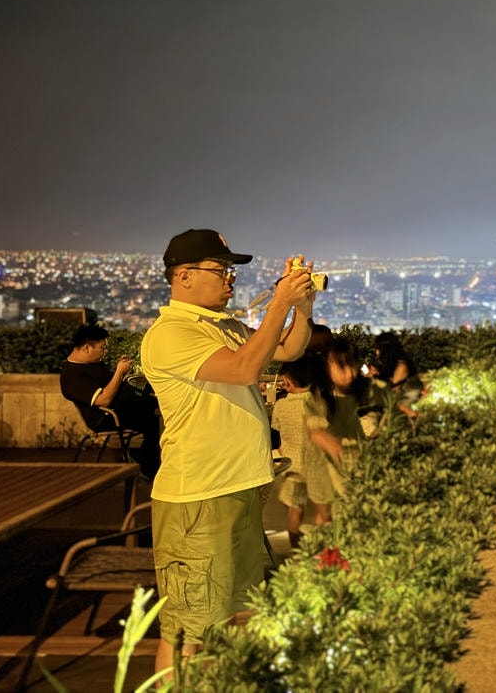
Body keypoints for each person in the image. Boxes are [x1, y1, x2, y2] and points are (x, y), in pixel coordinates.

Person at [140, 228, 317, 678]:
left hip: (239, 490)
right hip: (198, 500)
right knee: (187, 632)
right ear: (183, 276)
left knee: (238, 614)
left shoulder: (223, 327)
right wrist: (278, 302)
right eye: (220, 269)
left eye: (230, 270)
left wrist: (302, 305)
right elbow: (242, 370)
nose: (230, 278)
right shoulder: (170, 334)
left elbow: (289, 349)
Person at [60, 324, 162, 479]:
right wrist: (119, 373)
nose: (104, 352)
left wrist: (120, 372)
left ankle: (146, 459)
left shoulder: (92, 364)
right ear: (87, 348)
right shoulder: (72, 376)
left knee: (157, 402)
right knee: (154, 418)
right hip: (107, 417)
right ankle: (149, 466)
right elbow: (104, 400)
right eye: (101, 348)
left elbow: (109, 383)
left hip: (126, 405)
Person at [270, 356, 332, 548]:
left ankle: (297, 551)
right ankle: (327, 550)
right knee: (323, 510)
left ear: (288, 380)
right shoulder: (319, 403)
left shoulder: (281, 405)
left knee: (295, 510)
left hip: (293, 466)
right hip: (316, 464)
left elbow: (277, 430)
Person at [306, 335, 365, 498]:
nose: (350, 372)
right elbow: (316, 432)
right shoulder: (321, 399)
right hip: (336, 473)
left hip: (356, 463)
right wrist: (335, 446)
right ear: (327, 366)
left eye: (352, 364)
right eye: (342, 366)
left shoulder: (355, 394)